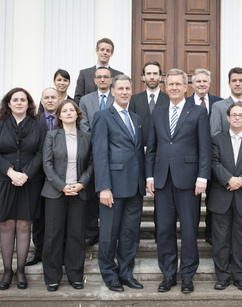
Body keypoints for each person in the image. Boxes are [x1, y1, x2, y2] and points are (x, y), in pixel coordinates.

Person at [146, 69, 211, 294]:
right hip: (163, 180)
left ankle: (187, 275)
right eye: (170, 84)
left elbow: (205, 147)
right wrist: (150, 175)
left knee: (189, 230)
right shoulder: (158, 112)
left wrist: (203, 176)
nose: (174, 87)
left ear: (186, 87)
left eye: (178, 84)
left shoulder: (199, 112)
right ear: (166, 87)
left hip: (189, 180)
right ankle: (168, 274)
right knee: (164, 229)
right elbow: (151, 147)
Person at [0, 88, 47, 290]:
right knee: (6, 224)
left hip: (30, 181)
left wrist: (26, 174)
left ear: (29, 104)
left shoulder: (38, 124)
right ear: (9, 103)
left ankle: (20, 270)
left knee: (23, 225)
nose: (19, 102)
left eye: (23, 99)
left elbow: (41, 152)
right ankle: (7, 271)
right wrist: (11, 173)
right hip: (4, 181)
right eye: (15, 100)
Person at [92, 75, 146, 293]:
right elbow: (100, 153)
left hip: (134, 187)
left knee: (130, 234)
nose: (124, 92)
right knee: (108, 234)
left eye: (128, 88)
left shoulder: (136, 118)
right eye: (120, 88)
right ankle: (109, 274)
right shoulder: (102, 116)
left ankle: (126, 273)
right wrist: (103, 187)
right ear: (112, 91)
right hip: (112, 187)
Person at [210, 67, 242, 266]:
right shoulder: (218, 107)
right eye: (234, 80)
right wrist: (227, 177)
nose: (238, 83)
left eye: (241, 80)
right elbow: (214, 136)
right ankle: (223, 269)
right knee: (222, 232)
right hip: (222, 178)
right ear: (229, 83)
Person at [41, 100, 94, 292]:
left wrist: (81, 184)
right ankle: (52, 277)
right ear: (59, 116)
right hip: (56, 193)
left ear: (77, 114)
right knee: (53, 236)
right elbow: (47, 165)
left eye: (72, 110)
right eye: (65, 110)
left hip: (79, 193)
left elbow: (91, 164)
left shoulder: (86, 137)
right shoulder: (51, 136)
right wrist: (63, 186)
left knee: (77, 236)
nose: (69, 113)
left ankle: (75, 276)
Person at [128, 61, 170, 243]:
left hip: (163, 156)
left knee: (161, 197)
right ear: (142, 77)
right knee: (137, 195)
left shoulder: (169, 99)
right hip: (138, 154)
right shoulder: (134, 99)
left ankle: (159, 232)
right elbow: (130, 125)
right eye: (148, 73)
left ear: (161, 77)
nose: (152, 77)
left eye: (155, 73)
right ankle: (132, 234)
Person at [186, 68, 223, 246]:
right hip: (191, 160)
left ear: (209, 83)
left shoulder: (220, 103)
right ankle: (190, 232)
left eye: (204, 81)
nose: (201, 84)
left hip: (215, 158)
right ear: (192, 84)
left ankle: (210, 233)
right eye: (198, 81)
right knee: (191, 200)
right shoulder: (184, 104)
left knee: (213, 199)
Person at [79, 66, 115, 246]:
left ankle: (109, 232)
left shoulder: (117, 98)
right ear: (94, 80)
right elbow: (83, 124)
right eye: (99, 77)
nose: (102, 80)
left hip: (113, 153)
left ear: (111, 79)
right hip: (90, 152)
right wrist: (97, 142)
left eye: (106, 77)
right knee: (92, 194)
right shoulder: (85, 100)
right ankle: (92, 231)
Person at [26, 87, 60, 266]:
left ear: (59, 99)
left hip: (60, 175)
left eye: (53, 97)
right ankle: (38, 251)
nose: (50, 100)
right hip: (38, 176)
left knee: (58, 217)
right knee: (38, 216)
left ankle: (58, 251)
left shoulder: (64, 119)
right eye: (46, 98)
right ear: (41, 100)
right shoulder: (34, 120)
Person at [74, 38, 123, 102]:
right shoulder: (84, 74)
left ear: (112, 53)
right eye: (102, 50)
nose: (105, 52)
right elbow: (78, 98)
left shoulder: (118, 75)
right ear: (96, 51)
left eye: (108, 50)